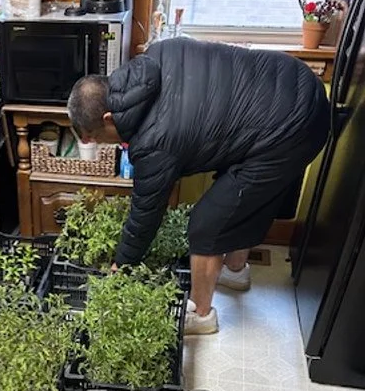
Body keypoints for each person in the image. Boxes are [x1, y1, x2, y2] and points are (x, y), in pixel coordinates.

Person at [67, 38, 330, 334]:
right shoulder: (157, 52)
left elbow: (145, 215)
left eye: (99, 137)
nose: (105, 144)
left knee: (206, 224)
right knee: (240, 198)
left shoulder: (154, 141)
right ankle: (235, 271)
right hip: (292, 79)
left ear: (108, 118)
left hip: (293, 127)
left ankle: (201, 315)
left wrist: (121, 265)